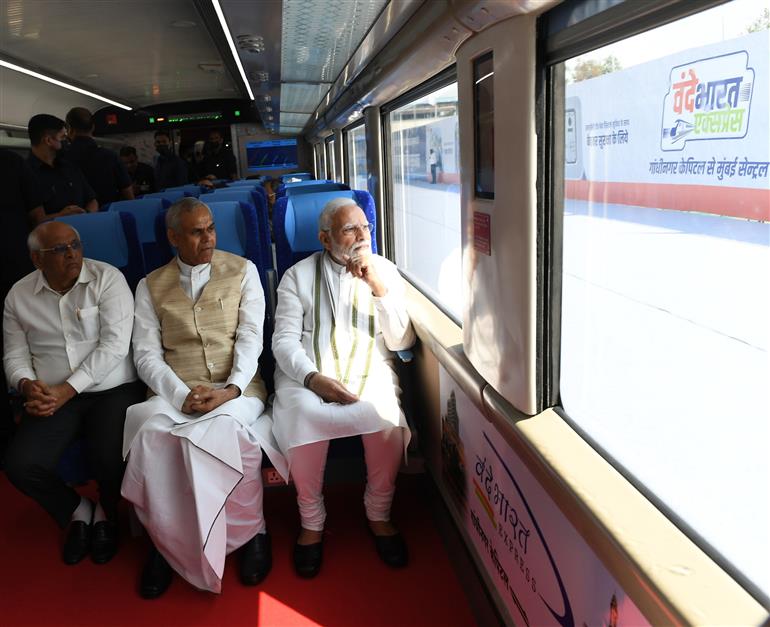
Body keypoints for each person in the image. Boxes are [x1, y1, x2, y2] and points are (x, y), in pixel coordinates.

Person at [121, 197, 287, 598]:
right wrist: (180, 396)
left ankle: (252, 534)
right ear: (174, 237)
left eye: (211, 228)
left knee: (234, 437)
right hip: (173, 391)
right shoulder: (149, 285)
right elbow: (146, 354)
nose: (208, 238)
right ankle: (163, 542)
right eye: (197, 232)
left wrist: (228, 390)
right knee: (151, 439)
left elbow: (250, 339)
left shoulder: (243, 271)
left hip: (238, 388)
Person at [272, 197, 415, 578]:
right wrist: (313, 378)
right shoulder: (296, 276)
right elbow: (284, 341)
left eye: (365, 227)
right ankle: (311, 521)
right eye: (350, 229)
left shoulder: (384, 271)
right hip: (308, 373)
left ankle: (379, 512)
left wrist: (378, 289)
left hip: (370, 366)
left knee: (383, 412)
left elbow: (400, 342)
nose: (361, 236)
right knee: (303, 412)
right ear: (324, 238)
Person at [3, 221, 144, 565]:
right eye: (60, 250)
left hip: (111, 389)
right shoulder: (18, 295)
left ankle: (109, 515)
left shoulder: (107, 279)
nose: (72, 254)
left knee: (109, 458)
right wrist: (25, 384)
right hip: (51, 394)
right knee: (20, 465)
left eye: (75, 245)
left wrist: (67, 389)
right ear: (37, 259)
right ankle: (79, 510)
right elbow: (14, 354)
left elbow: (114, 346)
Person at [0, 149, 43, 464]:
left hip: (15, 268)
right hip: (15, 267)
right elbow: (37, 216)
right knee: (25, 341)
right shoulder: (12, 162)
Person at [26, 114, 98, 223]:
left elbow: (92, 200)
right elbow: (36, 220)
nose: (68, 141)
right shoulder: (26, 173)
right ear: (49, 140)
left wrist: (86, 216)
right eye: (63, 137)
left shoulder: (70, 167)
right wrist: (63, 216)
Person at [65, 107, 133, 206]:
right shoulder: (110, 156)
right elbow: (127, 192)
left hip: (75, 217)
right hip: (109, 214)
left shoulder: (62, 159)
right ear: (93, 127)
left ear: (69, 129)